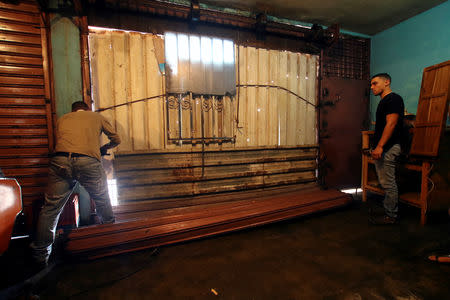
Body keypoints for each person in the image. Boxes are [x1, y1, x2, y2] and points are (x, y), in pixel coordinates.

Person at [30, 101, 121, 268]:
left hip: (60, 161)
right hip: (87, 161)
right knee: (102, 200)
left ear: (73, 111)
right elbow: (116, 139)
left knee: (50, 209)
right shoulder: (96, 117)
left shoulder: (63, 119)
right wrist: (104, 147)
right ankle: (111, 243)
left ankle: (40, 257)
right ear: (87, 109)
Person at [369, 73, 404, 225]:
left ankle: (391, 216)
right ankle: (388, 210)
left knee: (388, 182)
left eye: (375, 83)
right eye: (371, 84)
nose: (372, 87)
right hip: (384, 147)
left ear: (387, 82)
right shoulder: (384, 101)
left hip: (389, 147)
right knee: (385, 181)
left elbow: (391, 124)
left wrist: (380, 146)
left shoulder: (393, 99)